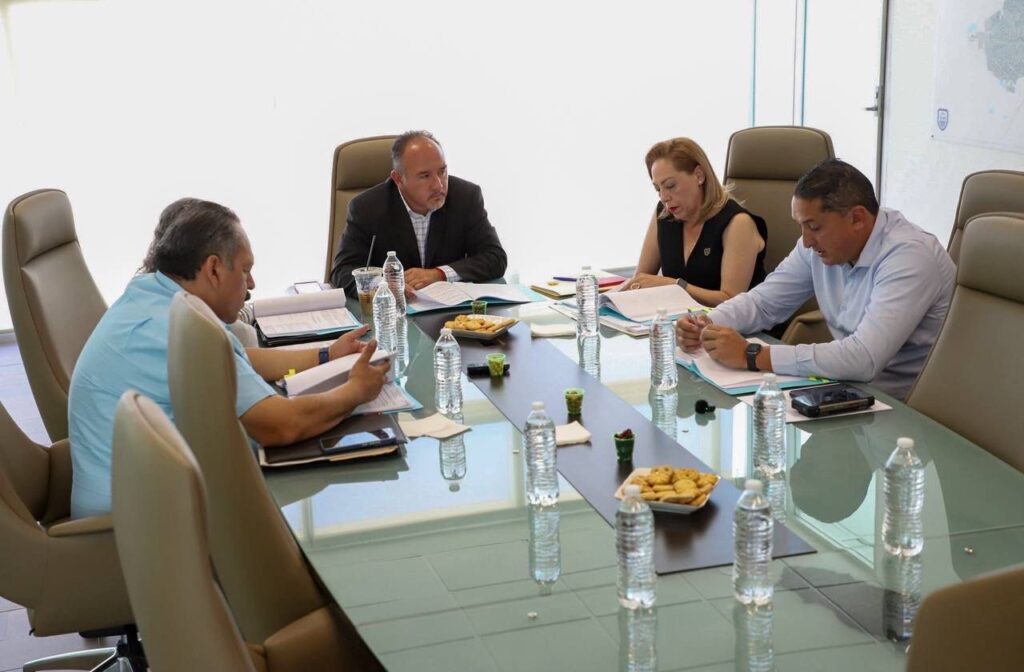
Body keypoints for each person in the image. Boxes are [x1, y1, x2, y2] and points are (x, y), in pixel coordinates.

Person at [68, 198, 390, 518]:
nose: (251, 284)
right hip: (138, 525)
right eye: (246, 269)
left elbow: (237, 359)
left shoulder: (155, 294)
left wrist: (327, 354)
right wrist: (356, 391)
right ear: (213, 269)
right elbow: (280, 426)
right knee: (336, 495)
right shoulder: (174, 326)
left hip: (140, 495)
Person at [677, 159, 955, 400]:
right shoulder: (818, 247)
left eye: (814, 227)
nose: (806, 241)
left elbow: (863, 358)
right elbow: (763, 303)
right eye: (802, 227)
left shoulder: (909, 257)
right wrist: (707, 323)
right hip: (849, 392)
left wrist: (751, 355)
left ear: (857, 218)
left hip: (908, 410)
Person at [330, 130, 508, 296]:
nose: (438, 185)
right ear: (398, 179)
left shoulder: (465, 197)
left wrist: (440, 274)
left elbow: (495, 257)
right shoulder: (367, 207)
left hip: (449, 310)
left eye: (442, 172)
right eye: (425, 176)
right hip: (392, 312)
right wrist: (384, 285)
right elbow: (342, 271)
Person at [622, 137, 768, 306]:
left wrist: (675, 286)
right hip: (681, 319)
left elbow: (731, 300)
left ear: (699, 175)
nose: (663, 197)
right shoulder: (664, 215)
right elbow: (641, 280)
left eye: (670, 185)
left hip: (733, 322)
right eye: (657, 188)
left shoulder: (738, 223)